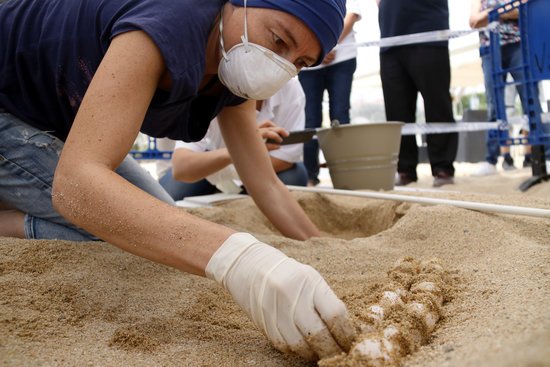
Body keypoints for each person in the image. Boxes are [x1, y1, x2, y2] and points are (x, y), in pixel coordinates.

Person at [0, 0, 357, 361]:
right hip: (8, 109)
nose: (279, 66)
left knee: (156, 228)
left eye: (299, 63)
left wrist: (330, 250)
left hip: (45, 123)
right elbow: (78, 182)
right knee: (113, 225)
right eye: (279, 40)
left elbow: (265, 184)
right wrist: (239, 258)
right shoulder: (171, 17)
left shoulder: (235, 67)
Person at [159, 78, 308, 200]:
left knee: (294, 177)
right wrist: (242, 148)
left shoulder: (290, 88)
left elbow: (286, 157)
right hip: (210, 166)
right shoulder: (213, 85)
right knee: (166, 197)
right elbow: (181, 167)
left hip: (249, 170)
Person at [377, 0, 458, 187]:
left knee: (437, 103)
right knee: (396, 110)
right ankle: (405, 169)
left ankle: (442, 168)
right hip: (390, 38)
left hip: (427, 31)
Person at [298, 0, 362, 186]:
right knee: (309, 120)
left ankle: (345, 176)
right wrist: (316, 50)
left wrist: (328, 46)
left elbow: (352, 15)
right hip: (308, 61)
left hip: (342, 57)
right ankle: (310, 176)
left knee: (340, 115)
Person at [469, 0, 536, 176]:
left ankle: (538, 155)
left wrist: (492, 12)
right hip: (489, 49)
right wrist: (506, 11)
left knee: (530, 99)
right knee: (494, 105)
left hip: (518, 46)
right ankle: (492, 159)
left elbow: (527, 9)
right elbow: (474, 21)